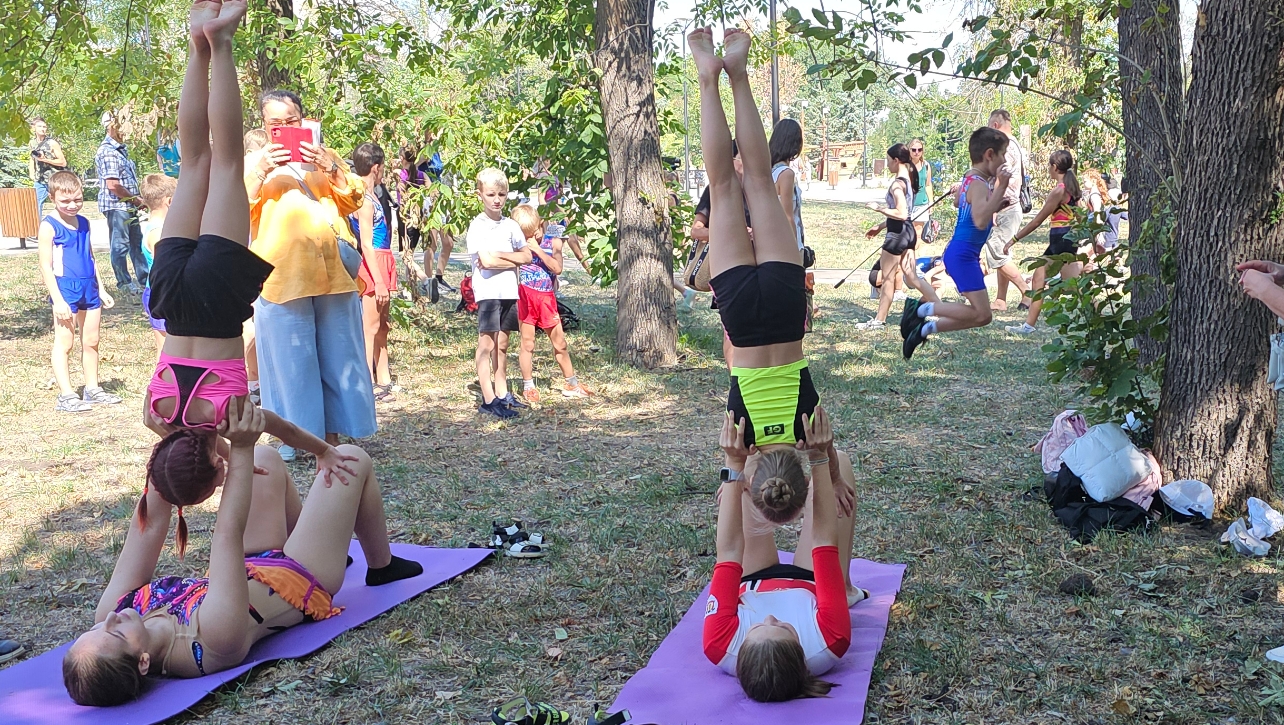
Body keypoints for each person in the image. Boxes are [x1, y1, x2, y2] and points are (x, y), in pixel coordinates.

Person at [62, 395, 422, 706]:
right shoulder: (212, 643)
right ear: (143, 662)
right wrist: (241, 447)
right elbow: (226, 534)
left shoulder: (116, 614)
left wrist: (168, 438)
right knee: (349, 459)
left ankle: (326, 535)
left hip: (250, 564)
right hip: (301, 576)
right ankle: (381, 565)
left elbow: (150, 524)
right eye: (113, 633)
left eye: (93, 630)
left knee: (265, 460)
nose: (109, 620)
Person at [145, 0, 357, 509]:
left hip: (217, 304)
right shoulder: (155, 413)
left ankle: (221, 42)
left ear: (215, 464)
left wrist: (321, 452)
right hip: (171, 298)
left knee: (227, 162)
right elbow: (179, 447)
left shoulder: (228, 420)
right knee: (195, 162)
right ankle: (199, 44)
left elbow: (276, 426)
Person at [693, 26, 847, 527]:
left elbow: (828, 454)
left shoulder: (811, 427)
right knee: (722, 187)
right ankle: (706, 78)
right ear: (755, 471)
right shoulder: (742, 435)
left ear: (803, 464)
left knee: (757, 178)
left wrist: (834, 473)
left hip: (784, 309)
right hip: (742, 313)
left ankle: (738, 73)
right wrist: (736, 472)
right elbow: (733, 470)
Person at [245, 89, 377, 459]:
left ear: (303, 121)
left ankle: (332, 436)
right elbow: (236, 205)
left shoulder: (325, 154)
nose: (285, 129)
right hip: (282, 275)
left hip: (333, 271)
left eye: (292, 121)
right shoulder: (253, 161)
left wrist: (330, 168)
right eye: (276, 124)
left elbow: (354, 199)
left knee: (338, 357)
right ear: (265, 125)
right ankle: (293, 438)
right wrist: (261, 171)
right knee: (291, 364)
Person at [703, 408, 863, 702]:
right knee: (838, 462)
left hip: (752, 579)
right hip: (810, 581)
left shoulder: (719, 644)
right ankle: (846, 589)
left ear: (740, 655)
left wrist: (733, 469)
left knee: (750, 462)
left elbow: (728, 552)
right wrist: (818, 460)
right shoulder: (830, 641)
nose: (771, 618)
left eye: (759, 627)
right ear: (803, 657)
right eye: (783, 628)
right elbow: (823, 539)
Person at [900, 127, 1013, 360]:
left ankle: (923, 328)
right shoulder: (980, 183)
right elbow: (981, 220)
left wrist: (995, 202)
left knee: (982, 315)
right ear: (989, 155)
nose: (1004, 161)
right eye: (1003, 155)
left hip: (961, 254)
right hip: (962, 256)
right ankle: (919, 311)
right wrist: (1001, 186)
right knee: (982, 314)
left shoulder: (971, 179)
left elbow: (964, 206)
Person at [37, 170, 120, 413]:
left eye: (78, 199)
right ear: (53, 198)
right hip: (65, 289)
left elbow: (90, 257)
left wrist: (101, 288)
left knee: (92, 340)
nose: (73, 205)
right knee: (65, 343)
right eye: (66, 201)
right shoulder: (49, 226)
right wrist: (58, 300)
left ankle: (92, 388)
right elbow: (45, 265)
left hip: (89, 288)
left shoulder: (84, 222)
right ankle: (66, 394)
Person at [510, 205, 594, 404]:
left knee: (560, 343)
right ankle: (528, 386)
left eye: (534, 232)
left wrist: (537, 249)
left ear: (540, 224)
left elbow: (557, 268)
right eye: (525, 235)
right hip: (526, 296)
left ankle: (571, 383)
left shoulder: (552, 240)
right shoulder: (518, 242)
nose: (531, 238)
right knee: (527, 343)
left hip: (546, 298)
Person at [467, 168, 533, 419]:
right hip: (488, 292)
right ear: (481, 195)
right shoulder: (478, 226)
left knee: (502, 344)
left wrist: (503, 256)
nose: (496, 199)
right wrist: (512, 259)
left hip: (508, 290)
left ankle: (503, 392)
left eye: (502, 194)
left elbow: (526, 256)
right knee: (487, 343)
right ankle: (488, 398)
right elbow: (485, 261)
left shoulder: (511, 226)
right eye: (491, 194)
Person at [1003, 150, 1084, 336]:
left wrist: (1014, 239)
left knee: (1050, 279)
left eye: (1049, 166)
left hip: (1060, 238)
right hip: (1068, 238)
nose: (1049, 169)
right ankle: (1094, 313)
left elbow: (1037, 220)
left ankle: (1028, 326)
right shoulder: (1072, 188)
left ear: (1054, 167)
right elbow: (1080, 215)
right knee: (1070, 284)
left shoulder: (1059, 190)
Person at [348, 143, 395, 401]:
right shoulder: (364, 201)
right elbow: (365, 243)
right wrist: (378, 281)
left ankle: (384, 376)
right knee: (370, 326)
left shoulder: (376, 195)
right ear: (375, 167)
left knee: (382, 325)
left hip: (383, 260)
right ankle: (366, 381)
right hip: (372, 264)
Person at [858, 143, 920, 331]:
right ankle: (936, 307)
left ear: (896, 160)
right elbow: (907, 215)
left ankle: (879, 319)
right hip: (908, 232)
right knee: (912, 277)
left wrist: (879, 209)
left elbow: (901, 213)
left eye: (888, 160)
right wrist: (880, 225)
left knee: (887, 279)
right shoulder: (908, 179)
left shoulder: (897, 184)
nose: (887, 164)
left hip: (897, 235)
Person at [95, 110, 149, 298]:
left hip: (128, 205)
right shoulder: (108, 152)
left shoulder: (120, 150)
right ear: (112, 126)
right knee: (120, 245)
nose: (127, 129)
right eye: (122, 124)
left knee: (137, 243)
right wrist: (137, 200)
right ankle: (124, 282)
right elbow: (113, 186)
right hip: (117, 206)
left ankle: (145, 280)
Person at [984, 110, 1032, 311]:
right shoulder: (1016, 145)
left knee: (995, 250)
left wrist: (992, 207)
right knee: (1002, 251)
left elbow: (1000, 177)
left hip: (1006, 206)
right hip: (1010, 205)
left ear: (995, 125)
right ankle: (1001, 300)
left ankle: (1027, 292)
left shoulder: (1006, 145)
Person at [770, 118, 815, 330]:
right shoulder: (786, 174)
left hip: (769, 241)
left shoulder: (768, 172)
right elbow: (788, 215)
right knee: (793, 293)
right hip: (788, 244)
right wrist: (793, 249)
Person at [139, 174, 178, 353]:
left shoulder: (161, 228)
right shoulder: (158, 233)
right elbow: (166, 270)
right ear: (170, 201)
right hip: (162, 295)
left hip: (164, 294)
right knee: (166, 352)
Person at [29, 117, 67, 218]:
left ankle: (63, 226)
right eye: (40, 126)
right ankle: (37, 230)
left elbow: (63, 162)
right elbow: (32, 158)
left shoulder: (52, 143)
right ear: (34, 128)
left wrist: (45, 160)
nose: (43, 129)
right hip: (40, 180)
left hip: (54, 179)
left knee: (60, 203)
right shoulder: (32, 143)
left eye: (45, 127)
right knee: (35, 205)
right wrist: (31, 173)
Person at [908, 138, 933, 242]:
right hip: (908, 204)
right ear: (909, 150)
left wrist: (931, 203)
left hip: (922, 204)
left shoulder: (926, 165)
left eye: (919, 149)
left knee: (918, 234)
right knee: (908, 233)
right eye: (913, 150)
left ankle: (912, 257)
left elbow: (928, 185)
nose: (916, 152)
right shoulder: (905, 165)